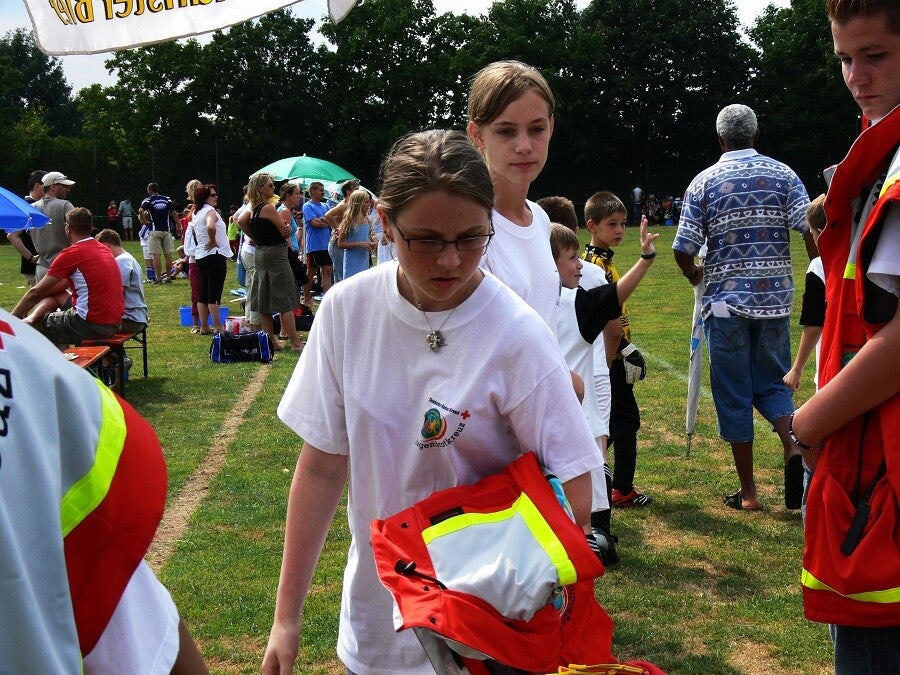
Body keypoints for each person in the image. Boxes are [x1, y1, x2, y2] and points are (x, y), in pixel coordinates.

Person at [262, 129, 599, 675]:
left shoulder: (516, 333)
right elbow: (322, 466)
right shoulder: (347, 311)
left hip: (487, 636)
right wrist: (286, 618)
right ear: (386, 223)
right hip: (377, 624)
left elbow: (577, 488)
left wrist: (478, 574)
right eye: (425, 240)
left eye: (471, 238)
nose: (450, 260)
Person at [0, 308, 209, 673]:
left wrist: (35, 311)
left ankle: (115, 360)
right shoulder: (27, 359)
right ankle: (116, 362)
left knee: (50, 320)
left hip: (102, 327)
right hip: (117, 326)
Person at [790, 1, 900, 670]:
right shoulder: (879, 155)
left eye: (876, 55)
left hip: (876, 472)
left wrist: (808, 424)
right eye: (844, 58)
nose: (856, 76)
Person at [672, 103, 811, 512]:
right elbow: (811, 226)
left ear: (719, 139)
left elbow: (683, 248)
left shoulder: (704, 182)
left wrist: (695, 275)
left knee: (733, 393)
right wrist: (820, 271)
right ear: (756, 134)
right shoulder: (784, 174)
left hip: (724, 306)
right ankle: (793, 445)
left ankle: (749, 493)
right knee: (774, 383)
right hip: (776, 301)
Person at [552, 221, 659, 565]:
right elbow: (615, 296)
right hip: (574, 424)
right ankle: (590, 541)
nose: (580, 265)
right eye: (572, 258)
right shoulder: (573, 304)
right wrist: (645, 259)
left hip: (539, 427)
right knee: (579, 517)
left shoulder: (519, 304)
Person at [467, 60, 561, 328]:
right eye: (506, 131)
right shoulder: (467, 230)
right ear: (477, 135)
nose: (524, 146)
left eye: (536, 129)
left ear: (551, 127)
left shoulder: (540, 218)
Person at [583, 190, 652, 509]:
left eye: (623, 223)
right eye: (612, 224)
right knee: (626, 421)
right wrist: (627, 350)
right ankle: (621, 489)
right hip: (609, 356)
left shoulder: (601, 260)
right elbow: (604, 318)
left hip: (610, 354)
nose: (620, 230)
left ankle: (593, 472)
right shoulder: (595, 265)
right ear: (592, 226)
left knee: (610, 420)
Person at [12, 207, 123, 346]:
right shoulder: (103, 249)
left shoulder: (72, 253)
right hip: (115, 321)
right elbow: (57, 288)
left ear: (68, 229)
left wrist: (12, 319)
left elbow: (36, 292)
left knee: (37, 323)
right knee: (55, 296)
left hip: (92, 324)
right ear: (90, 228)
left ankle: (53, 361)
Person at [237, 173, 304, 351]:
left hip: (261, 254)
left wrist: (255, 237)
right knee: (285, 300)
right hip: (276, 255)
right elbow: (284, 231)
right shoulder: (268, 208)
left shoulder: (254, 208)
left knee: (264, 300)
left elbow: (241, 221)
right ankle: (296, 343)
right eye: (270, 185)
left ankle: (270, 342)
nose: (274, 188)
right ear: (261, 188)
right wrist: (286, 229)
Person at [783, 195, 827, 394]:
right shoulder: (864, 258)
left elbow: (815, 322)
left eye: (811, 232)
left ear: (820, 232)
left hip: (832, 360)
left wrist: (797, 368)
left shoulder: (819, 267)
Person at [11, 171, 75, 282]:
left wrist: (31, 258)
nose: (68, 189)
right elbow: (78, 229)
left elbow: (11, 235)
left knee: (40, 293)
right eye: (64, 186)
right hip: (64, 266)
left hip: (42, 268)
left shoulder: (31, 209)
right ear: (53, 187)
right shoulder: (65, 205)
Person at [187, 184, 231, 335]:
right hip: (214, 255)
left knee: (203, 292)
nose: (216, 197)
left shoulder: (197, 212)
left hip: (201, 256)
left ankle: (204, 326)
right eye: (213, 195)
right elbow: (211, 227)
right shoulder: (210, 211)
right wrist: (212, 241)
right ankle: (218, 326)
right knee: (214, 292)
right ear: (205, 198)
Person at [95, 228, 149, 335]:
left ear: (106, 246)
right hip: (136, 317)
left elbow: (117, 294)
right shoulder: (127, 258)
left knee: (86, 328)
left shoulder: (121, 261)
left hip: (130, 319)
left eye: (100, 251)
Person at [5, 169, 46, 287]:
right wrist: (31, 258)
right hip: (35, 268)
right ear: (37, 186)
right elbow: (12, 235)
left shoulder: (35, 205)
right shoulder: (27, 206)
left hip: (41, 266)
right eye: (47, 186)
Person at [139, 182, 179, 284]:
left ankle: (158, 279)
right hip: (167, 231)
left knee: (156, 255)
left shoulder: (148, 200)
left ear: (149, 190)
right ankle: (169, 277)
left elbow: (140, 210)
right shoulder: (167, 199)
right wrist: (179, 225)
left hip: (154, 230)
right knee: (168, 255)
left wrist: (144, 221)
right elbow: (174, 213)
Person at [301, 180, 333, 304]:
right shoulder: (307, 206)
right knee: (311, 272)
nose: (323, 192)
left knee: (327, 271)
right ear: (313, 191)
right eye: (321, 190)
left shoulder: (325, 206)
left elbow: (331, 220)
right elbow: (315, 223)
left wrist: (324, 220)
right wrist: (327, 221)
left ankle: (327, 299)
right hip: (314, 245)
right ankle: (307, 298)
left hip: (327, 244)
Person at [337, 188, 376, 279]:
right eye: (366, 202)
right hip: (352, 260)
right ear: (358, 203)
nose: (369, 204)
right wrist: (359, 244)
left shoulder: (367, 219)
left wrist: (373, 242)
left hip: (364, 259)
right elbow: (340, 244)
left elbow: (370, 236)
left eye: (369, 202)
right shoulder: (349, 220)